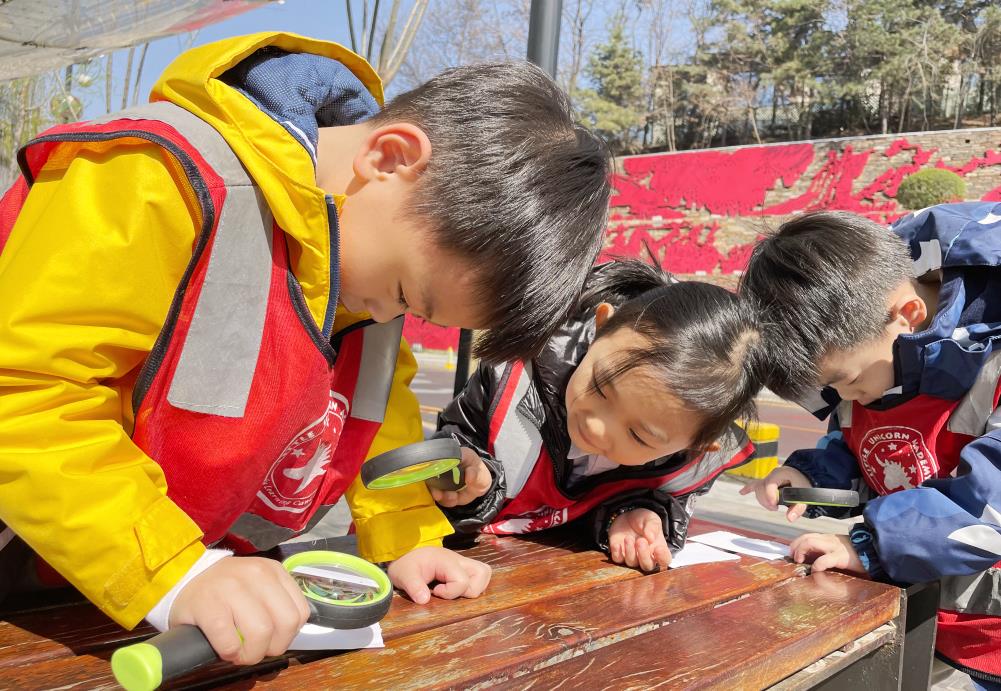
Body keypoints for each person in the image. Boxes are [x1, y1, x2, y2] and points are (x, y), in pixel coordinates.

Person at [0, 33, 611, 666]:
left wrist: (406, 535)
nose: (386, 316)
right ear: (391, 157)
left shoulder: (360, 250)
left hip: (124, 590)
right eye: (406, 293)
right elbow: (22, 394)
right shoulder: (152, 175)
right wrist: (171, 570)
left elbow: (374, 406)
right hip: (33, 557)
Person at [739, 203, 1001, 689]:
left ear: (907, 315)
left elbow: (988, 510)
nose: (847, 399)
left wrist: (870, 545)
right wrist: (813, 478)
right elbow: (871, 454)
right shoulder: (871, 367)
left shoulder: (992, 366)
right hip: (932, 621)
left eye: (848, 381)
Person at [430, 260, 763, 571]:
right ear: (601, 327)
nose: (595, 426)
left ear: (699, 445)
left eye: (638, 435)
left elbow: (657, 498)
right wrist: (470, 477)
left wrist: (631, 513)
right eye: (600, 387)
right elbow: (457, 437)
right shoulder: (515, 372)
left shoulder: (682, 467)